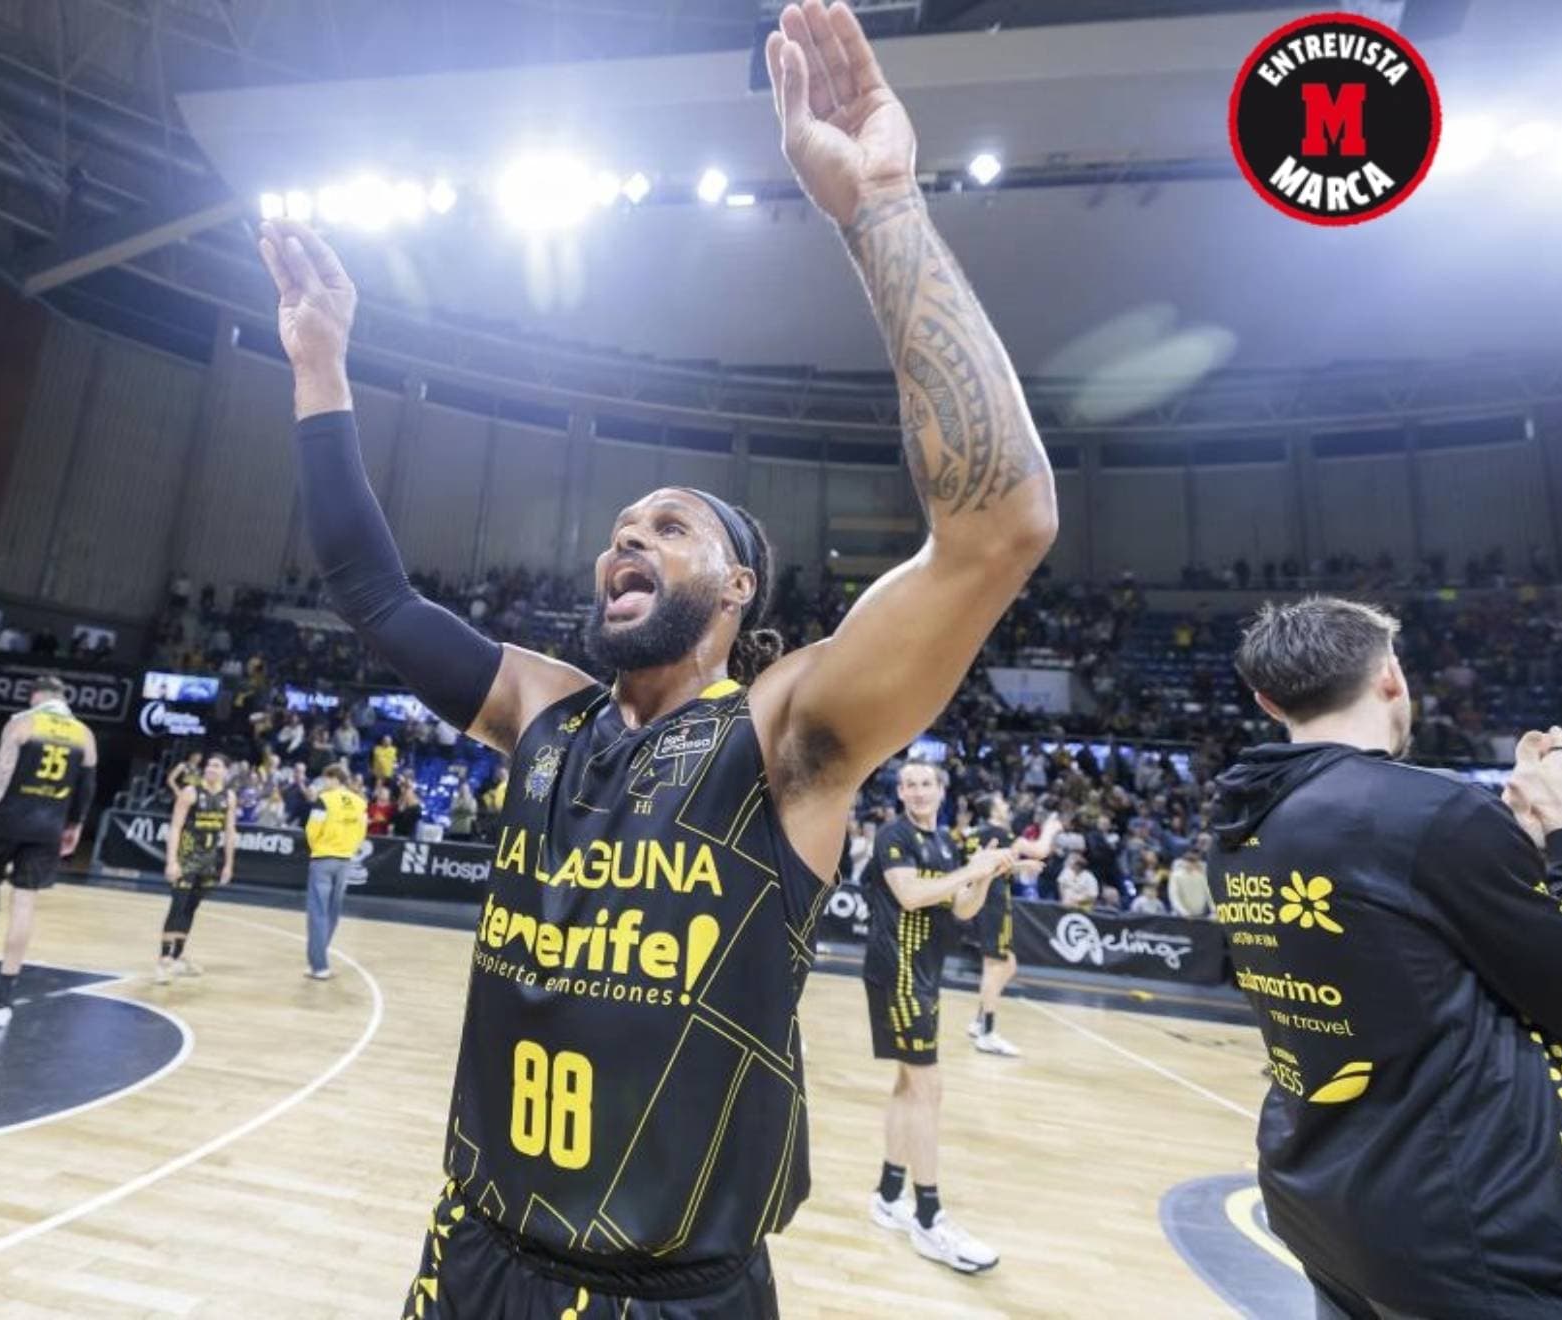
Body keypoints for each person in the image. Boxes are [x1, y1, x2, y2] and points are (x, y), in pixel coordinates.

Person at [259, 0, 1055, 1304]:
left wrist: (882, 208)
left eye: (670, 529)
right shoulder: (546, 709)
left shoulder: (784, 737)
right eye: (620, 529)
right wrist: (321, 370)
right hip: (470, 1260)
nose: (626, 541)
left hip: (670, 1290)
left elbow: (1001, 525)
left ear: (738, 587)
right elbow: (370, 589)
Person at [1210, 597, 1562, 1318]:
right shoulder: (1431, 812)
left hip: (1323, 1203)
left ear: (1268, 700)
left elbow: (1409, 957)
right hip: (1466, 1230)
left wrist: (1513, 857)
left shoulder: (1236, 828)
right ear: (1391, 676)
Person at [861, 760, 1013, 1272]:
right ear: (900, 792)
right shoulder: (893, 837)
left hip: (925, 975)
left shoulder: (946, 843)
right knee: (929, 1088)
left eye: (927, 783)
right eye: (909, 783)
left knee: (909, 1087)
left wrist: (986, 876)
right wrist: (971, 869)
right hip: (896, 972)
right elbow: (910, 895)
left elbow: (962, 910)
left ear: (941, 790)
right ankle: (928, 1218)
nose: (918, 790)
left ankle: (887, 1195)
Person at [0, 675, 98, 1028]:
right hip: (49, 827)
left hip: (6, 821)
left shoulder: (23, 722)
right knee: (24, 904)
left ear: (36, 696)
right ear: (64, 699)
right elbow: (87, 787)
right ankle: (3, 1002)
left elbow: (0, 776)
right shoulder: (85, 734)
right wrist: (74, 826)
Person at [958, 792, 1057, 1058]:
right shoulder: (999, 831)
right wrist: (1050, 829)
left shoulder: (979, 833)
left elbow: (989, 867)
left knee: (1007, 964)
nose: (1007, 805)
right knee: (996, 965)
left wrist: (1022, 865)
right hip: (993, 902)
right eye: (1002, 802)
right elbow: (1041, 849)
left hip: (981, 900)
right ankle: (987, 1033)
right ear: (993, 810)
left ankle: (980, 1022)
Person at [158, 751, 237, 983]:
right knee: (178, 906)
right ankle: (163, 960)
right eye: (209, 765)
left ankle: (178, 956)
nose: (210, 769)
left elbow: (230, 832)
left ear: (226, 771)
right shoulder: (190, 792)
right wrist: (171, 860)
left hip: (209, 861)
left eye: (216, 765)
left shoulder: (229, 797)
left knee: (191, 908)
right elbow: (175, 827)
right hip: (187, 858)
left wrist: (228, 864)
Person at [302, 763, 367, 980]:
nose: (324, 783)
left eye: (326, 779)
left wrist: (318, 847)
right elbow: (361, 831)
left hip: (323, 858)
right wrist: (348, 849)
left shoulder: (324, 799)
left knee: (318, 913)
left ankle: (319, 966)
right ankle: (317, 960)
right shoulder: (359, 802)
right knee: (332, 913)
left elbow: (312, 830)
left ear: (333, 778)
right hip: (345, 860)